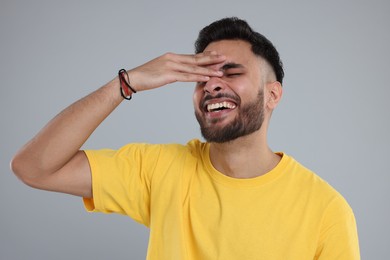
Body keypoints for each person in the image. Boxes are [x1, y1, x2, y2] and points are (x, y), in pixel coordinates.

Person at [11, 17, 360, 259]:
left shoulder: (326, 211)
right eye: (201, 77)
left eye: (231, 72)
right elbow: (33, 167)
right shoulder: (160, 169)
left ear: (272, 95)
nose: (211, 84)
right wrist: (125, 83)